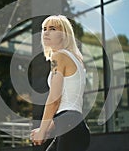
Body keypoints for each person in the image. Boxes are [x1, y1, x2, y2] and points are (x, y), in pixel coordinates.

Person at [30, 15, 90, 151]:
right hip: (74, 125)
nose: (46, 32)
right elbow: (66, 105)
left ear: (64, 35)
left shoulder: (59, 56)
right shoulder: (76, 59)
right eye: (44, 28)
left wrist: (42, 130)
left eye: (52, 29)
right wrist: (46, 129)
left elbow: (55, 98)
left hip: (69, 126)